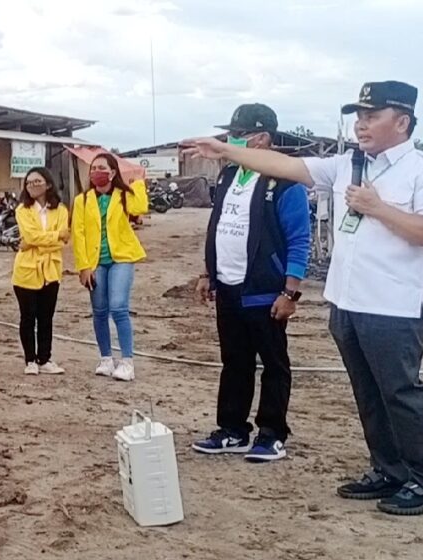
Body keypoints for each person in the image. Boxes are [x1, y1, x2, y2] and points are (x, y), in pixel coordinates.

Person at [183, 81, 423, 516]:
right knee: (367, 393)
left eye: (372, 116)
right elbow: (287, 165)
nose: (361, 124)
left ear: (402, 122)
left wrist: (378, 207)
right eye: (359, 115)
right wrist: (227, 151)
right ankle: (389, 469)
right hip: (347, 302)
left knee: (401, 393)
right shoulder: (349, 165)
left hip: (393, 307)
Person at [190, 104, 311, 463]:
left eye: (239, 133)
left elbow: (299, 240)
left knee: (274, 363)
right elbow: (218, 227)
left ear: (262, 139)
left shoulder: (285, 181)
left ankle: (272, 433)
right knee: (235, 360)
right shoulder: (229, 176)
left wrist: (290, 292)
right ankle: (232, 430)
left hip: (265, 289)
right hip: (228, 284)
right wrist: (208, 273)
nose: (230, 139)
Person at [72, 153, 148, 382]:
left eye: (102, 168)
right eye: (93, 168)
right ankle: (106, 358)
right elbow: (78, 234)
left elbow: (141, 206)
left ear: (113, 172)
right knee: (99, 310)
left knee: (118, 307)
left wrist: (138, 181)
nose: (96, 171)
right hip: (95, 262)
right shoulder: (82, 200)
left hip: (121, 257)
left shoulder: (124, 195)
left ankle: (127, 361)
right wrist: (84, 266)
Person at [12, 167, 69, 375]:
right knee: (28, 317)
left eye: (37, 181)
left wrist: (37, 241)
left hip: (51, 270)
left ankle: (45, 358)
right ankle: (30, 360)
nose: (32, 186)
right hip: (26, 271)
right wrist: (54, 236)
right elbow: (31, 236)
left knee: (46, 317)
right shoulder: (22, 210)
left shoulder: (61, 210)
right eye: (29, 183)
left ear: (48, 184)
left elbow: (62, 241)